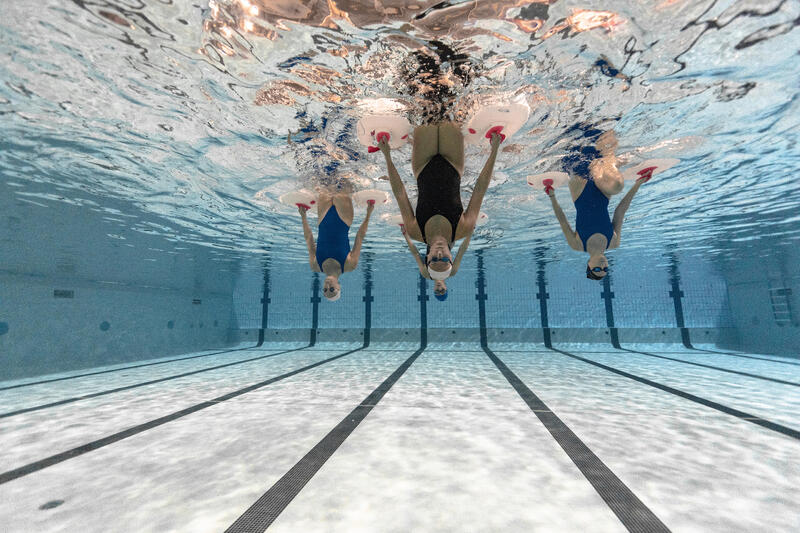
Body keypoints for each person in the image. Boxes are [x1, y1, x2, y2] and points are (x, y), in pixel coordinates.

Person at [377, 123, 502, 300]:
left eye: (434, 259)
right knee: (449, 113)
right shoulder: (462, 230)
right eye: (444, 260)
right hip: (453, 164)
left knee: (427, 113)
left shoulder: (415, 232)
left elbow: (400, 193)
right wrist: (494, 151)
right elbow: (480, 189)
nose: (440, 254)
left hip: (422, 166)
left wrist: (387, 156)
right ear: (452, 258)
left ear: (427, 258)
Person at [545, 129, 652, 279]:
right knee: (617, 186)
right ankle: (607, 156)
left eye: (596, 268)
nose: (602, 265)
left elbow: (562, 220)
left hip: (580, 184)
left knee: (576, 142)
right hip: (603, 192)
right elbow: (620, 212)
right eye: (605, 269)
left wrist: (552, 196)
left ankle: (607, 161)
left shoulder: (577, 245)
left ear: (589, 265)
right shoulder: (613, 242)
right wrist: (637, 184)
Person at [298, 192, 375, 301]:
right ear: (339, 287)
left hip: (322, 218)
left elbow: (308, 239)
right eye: (332, 289)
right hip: (344, 218)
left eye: (325, 290)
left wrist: (303, 217)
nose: (327, 286)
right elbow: (360, 237)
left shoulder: (315, 266)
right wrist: (368, 214)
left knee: (324, 183)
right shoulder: (349, 265)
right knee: (343, 185)